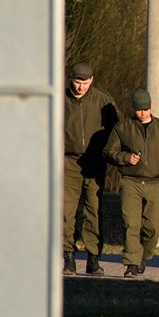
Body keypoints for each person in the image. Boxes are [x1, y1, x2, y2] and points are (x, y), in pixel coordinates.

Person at [104, 89, 159, 278]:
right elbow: (108, 151)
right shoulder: (123, 128)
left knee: (154, 227)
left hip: (156, 183)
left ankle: (143, 256)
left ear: (151, 107)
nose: (143, 113)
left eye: (146, 109)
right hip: (131, 181)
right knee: (131, 223)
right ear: (134, 108)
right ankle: (131, 264)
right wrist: (124, 158)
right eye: (139, 109)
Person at [63, 61, 118, 276]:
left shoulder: (103, 100)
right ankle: (68, 257)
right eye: (77, 82)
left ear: (91, 81)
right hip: (68, 163)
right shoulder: (61, 99)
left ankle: (93, 259)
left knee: (93, 211)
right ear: (71, 79)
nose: (80, 87)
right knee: (66, 213)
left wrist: (114, 153)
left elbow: (118, 129)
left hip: (95, 164)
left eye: (85, 82)